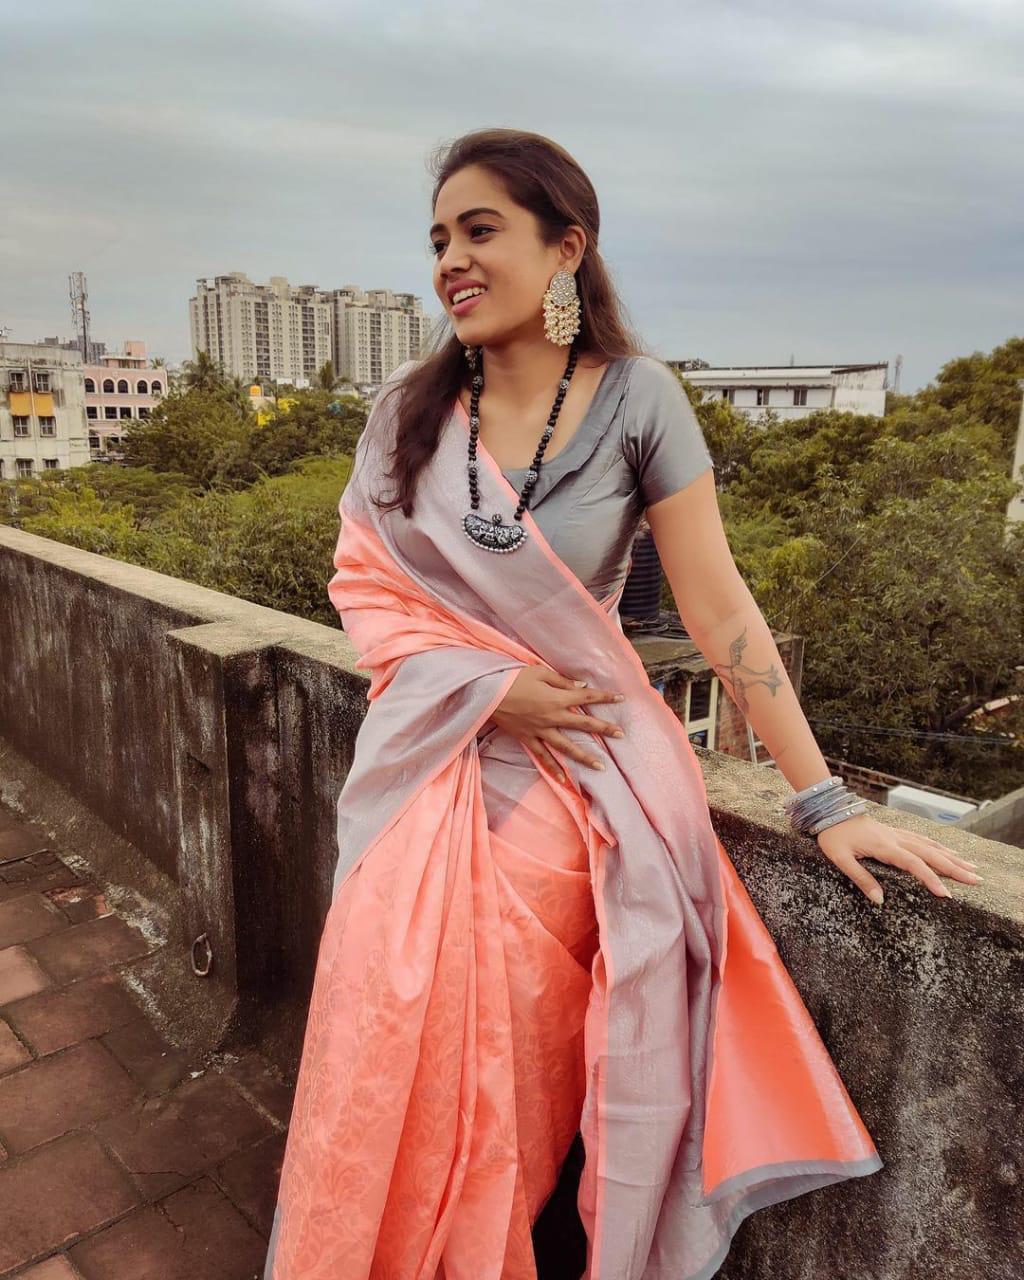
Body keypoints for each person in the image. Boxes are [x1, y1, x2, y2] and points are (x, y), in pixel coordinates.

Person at [263, 128, 982, 1280]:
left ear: (566, 249)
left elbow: (718, 608)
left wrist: (823, 796)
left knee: (514, 1082)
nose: (450, 257)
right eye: (438, 237)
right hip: (428, 779)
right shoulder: (407, 408)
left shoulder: (640, 398)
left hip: (587, 786)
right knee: (377, 1037)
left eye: (481, 229)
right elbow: (366, 587)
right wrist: (488, 687)